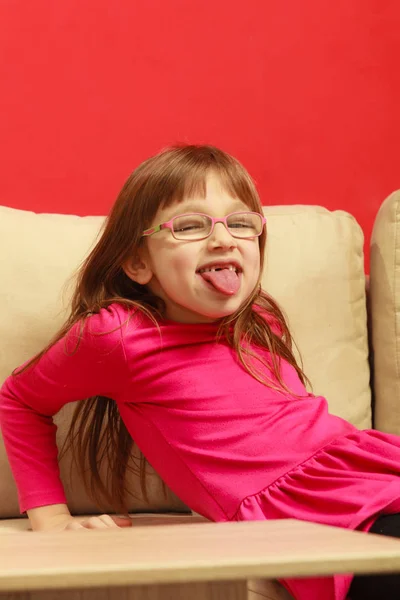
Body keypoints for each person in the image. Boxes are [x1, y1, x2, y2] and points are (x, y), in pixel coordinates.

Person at [0, 145, 400, 600]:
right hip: (319, 515)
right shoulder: (117, 335)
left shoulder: (259, 318)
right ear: (138, 263)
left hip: (372, 470)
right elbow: (19, 398)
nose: (224, 239)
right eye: (190, 225)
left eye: (241, 223)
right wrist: (50, 518)